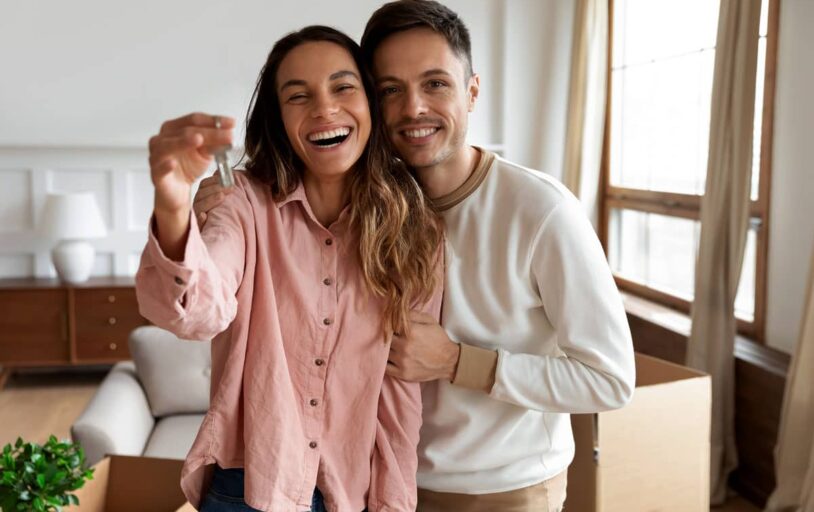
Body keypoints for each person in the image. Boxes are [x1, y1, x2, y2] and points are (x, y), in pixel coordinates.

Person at [195, 2, 637, 511]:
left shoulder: (541, 211)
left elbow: (611, 380)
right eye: (390, 91)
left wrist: (458, 362)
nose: (413, 109)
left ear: (472, 91)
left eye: (436, 84)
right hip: (376, 485)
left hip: (503, 491)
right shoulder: (357, 208)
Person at [137, 25, 443, 512]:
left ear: (371, 106)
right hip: (247, 489)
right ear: (279, 120)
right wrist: (174, 208)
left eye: (343, 87)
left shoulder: (413, 230)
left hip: (351, 492)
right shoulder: (241, 202)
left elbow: (400, 394)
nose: (324, 109)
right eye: (297, 96)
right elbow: (198, 312)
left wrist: (394, 503)